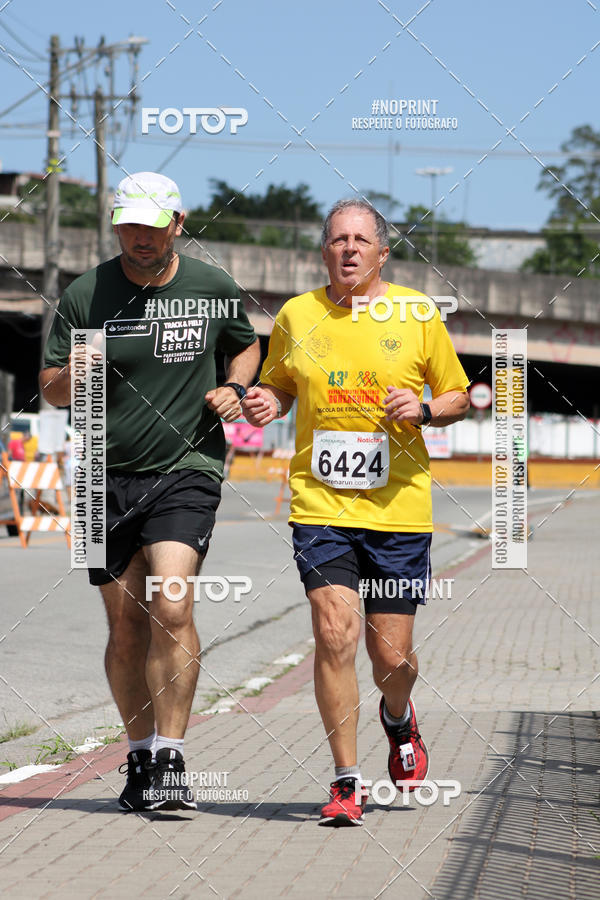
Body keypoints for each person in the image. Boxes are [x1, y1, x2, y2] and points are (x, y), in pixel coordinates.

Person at [243, 199, 470, 826]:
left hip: (398, 507)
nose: (349, 249)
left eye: (361, 240)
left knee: (390, 659)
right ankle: (347, 780)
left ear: (381, 252)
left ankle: (399, 719)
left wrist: (424, 410)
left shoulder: (418, 312)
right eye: (338, 239)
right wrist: (266, 400)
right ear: (324, 251)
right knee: (332, 632)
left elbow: (459, 395)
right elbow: (281, 384)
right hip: (320, 503)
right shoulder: (296, 315)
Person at [39, 172, 259, 812]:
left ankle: (172, 757)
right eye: (127, 225)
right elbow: (50, 388)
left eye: (151, 225)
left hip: (186, 466)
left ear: (178, 224)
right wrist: (73, 375)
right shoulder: (87, 293)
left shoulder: (211, 287)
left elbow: (246, 349)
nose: (139, 237)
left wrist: (236, 389)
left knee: (172, 604)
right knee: (125, 628)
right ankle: (137, 757)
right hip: (101, 474)